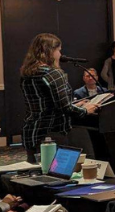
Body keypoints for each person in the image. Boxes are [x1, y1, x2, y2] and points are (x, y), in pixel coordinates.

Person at [20, 33, 97, 162]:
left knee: (38, 175)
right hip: (53, 134)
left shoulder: (26, 73)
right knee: (57, 174)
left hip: (32, 132)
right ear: (50, 51)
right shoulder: (54, 73)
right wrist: (85, 110)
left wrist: (75, 105)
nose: (60, 55)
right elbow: (64, 108)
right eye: (59, 50)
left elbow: (47, 104)